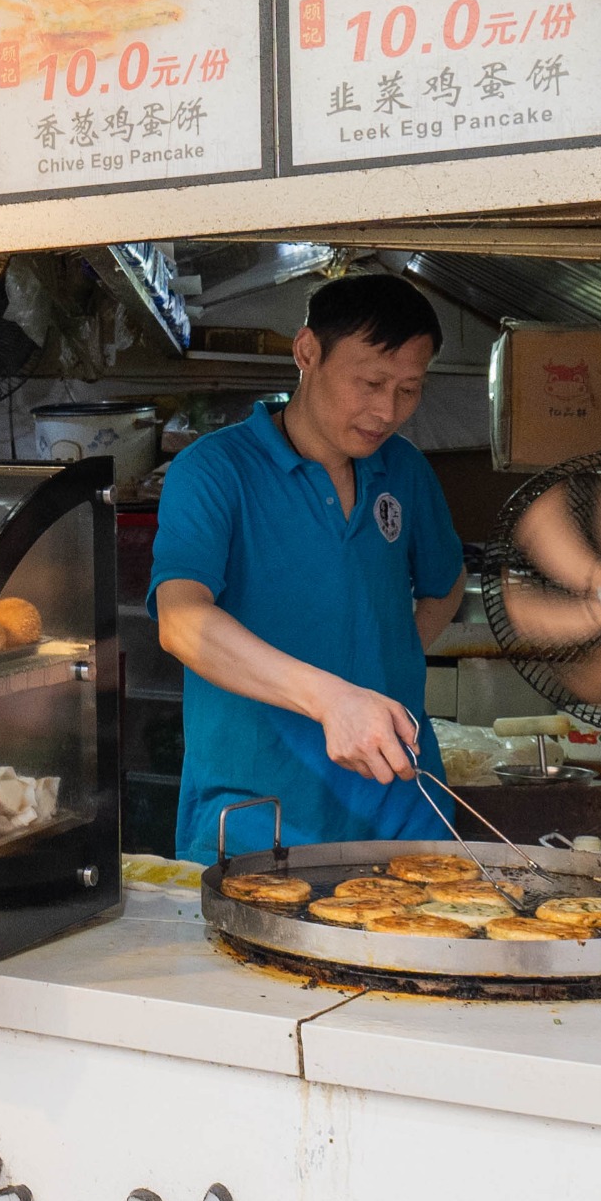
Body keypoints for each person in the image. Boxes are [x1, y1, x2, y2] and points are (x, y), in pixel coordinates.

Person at [151, 273, 465, 862]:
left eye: (409, 389)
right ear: (307, 352)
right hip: (260, 818)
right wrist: (332, 700)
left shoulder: (405, 470)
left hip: (404, 806)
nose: (387, 410)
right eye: (370, 382)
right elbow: (181, 621)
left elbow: (446, 586)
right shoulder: (215, 471)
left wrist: (383, 659)